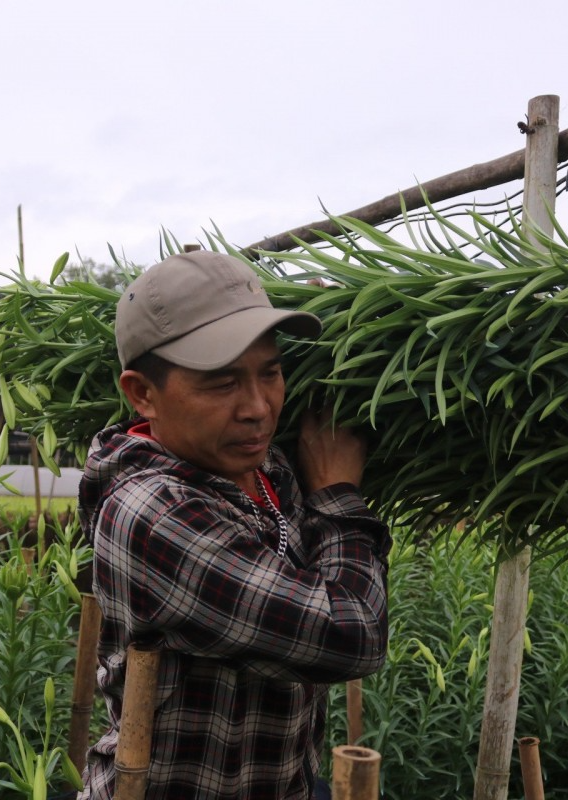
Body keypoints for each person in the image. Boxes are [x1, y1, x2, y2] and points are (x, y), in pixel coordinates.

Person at [76, 250, 391, 800]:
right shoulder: (150, 512)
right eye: (222, 383)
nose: (259, 408)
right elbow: (351, 636)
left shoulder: (259, 463)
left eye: (270, 372)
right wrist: (338, 497)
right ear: (143, 393)